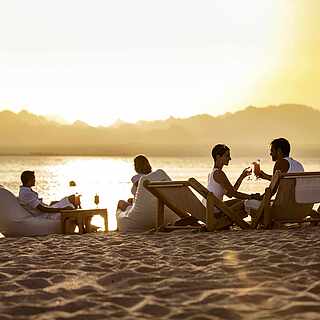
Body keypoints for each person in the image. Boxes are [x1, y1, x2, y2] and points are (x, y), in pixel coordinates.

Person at [205, 144, 261, 220]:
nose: (230, 158)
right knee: (246, 203)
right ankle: (258, 219)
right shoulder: (218, 173)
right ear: (218, 157)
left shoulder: (212, 173)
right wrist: (252, 196)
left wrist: (242, 177)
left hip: (212, 209)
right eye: (227, 156)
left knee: (240, 201)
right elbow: (234, 194)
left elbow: (230, 194)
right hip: (215, 213)